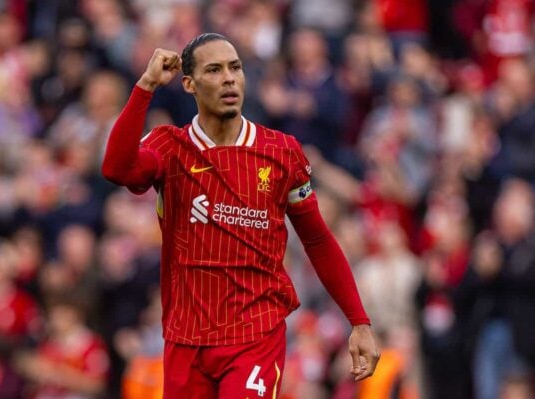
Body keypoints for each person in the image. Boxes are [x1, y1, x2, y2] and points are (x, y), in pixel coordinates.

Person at [102, 32, 380, 398]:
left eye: (235, 68)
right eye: (214, 70)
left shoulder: (282, 153)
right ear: (189, 83)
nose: (229, 78)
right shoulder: (169, 147)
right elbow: (116, 169)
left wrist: (358, 321)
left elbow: (317, 239)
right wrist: (146, 86)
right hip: (187, 339)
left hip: (255, 335)